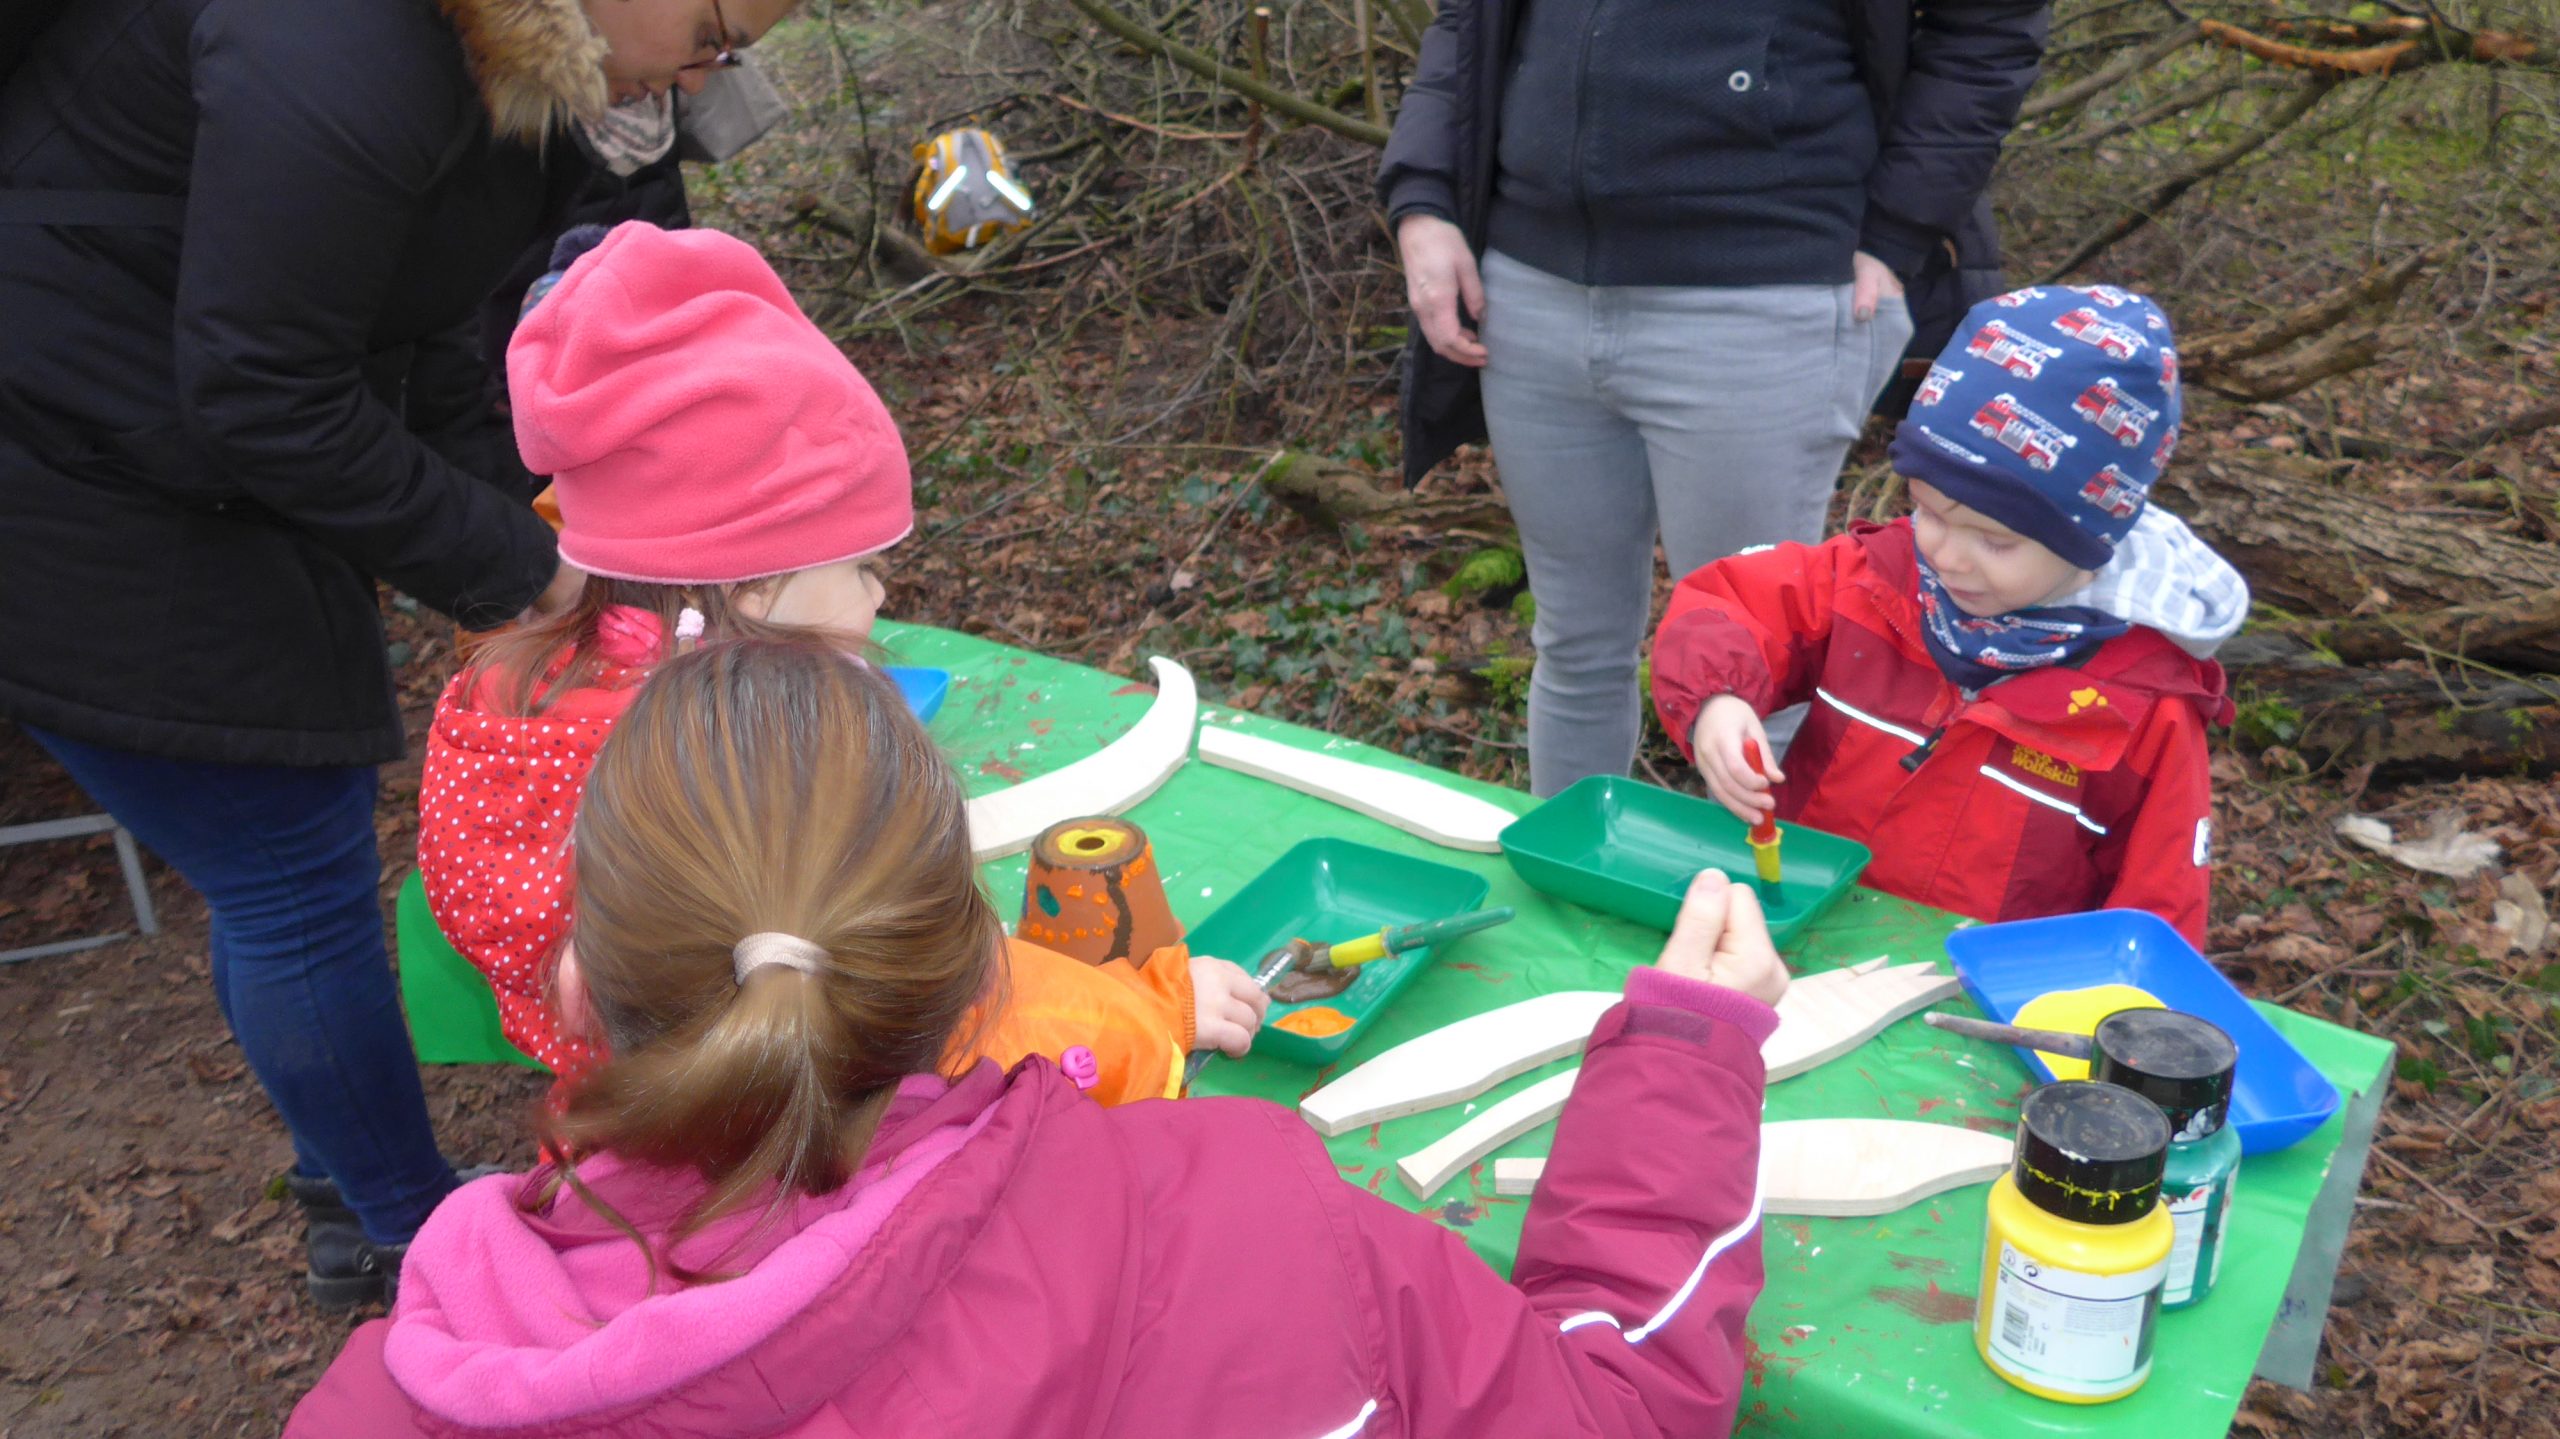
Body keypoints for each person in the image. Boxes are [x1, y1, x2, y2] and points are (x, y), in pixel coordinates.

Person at [287, 638, 1790, 1437]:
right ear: (979, 981)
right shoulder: (1263, 1221)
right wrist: (1687, 1055)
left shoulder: (407, 1392)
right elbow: (1615, 1409)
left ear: (571, 995)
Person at [0, 0, 798, 1307]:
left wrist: (529, 522)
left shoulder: (500, 67)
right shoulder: (337, 46)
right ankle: (398, 1228)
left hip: (180, 441)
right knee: (289, 875)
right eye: (716, 31)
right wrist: (518, 569)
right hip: (73, 471)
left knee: (280, 866)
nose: (714, 75)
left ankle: (343, 1170)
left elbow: (422, 319)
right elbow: (263, 389)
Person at [422, 219, 1266, 1102]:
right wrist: (1153, 1010)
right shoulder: (777, 772)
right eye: (862, 566)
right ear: (756, 586)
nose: (879, 595)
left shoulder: (506, 699)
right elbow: (956, 1003)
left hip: (640, 1118)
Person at [1380, 0, 2050, 797]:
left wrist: (1900, 229)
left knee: (1760, 665)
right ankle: (1566, 875)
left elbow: (1988, 28)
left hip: (1764, 293)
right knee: (1573, 647)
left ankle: (1758, 885)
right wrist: (1424, 197)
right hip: (1528, 289)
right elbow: (1469, 19)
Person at [1650, 286, 2247, 947]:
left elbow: (2157, 913)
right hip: (1800, 942)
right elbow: (1733, 604)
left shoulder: (2143, 706)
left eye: (1995, 541)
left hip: (1984, 994)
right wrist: (1717, 701)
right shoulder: (1875, 579)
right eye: (1929, 511)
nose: (1946, 556)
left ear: (2088, 539)